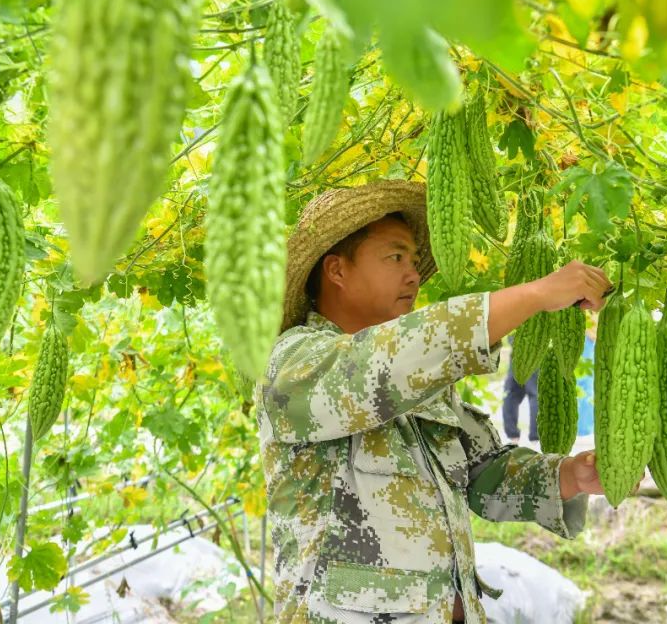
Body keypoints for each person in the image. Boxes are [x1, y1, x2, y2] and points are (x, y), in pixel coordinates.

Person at [255, 180, 616, 624]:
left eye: (412, 260)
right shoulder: (293, 362)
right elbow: (380, 364)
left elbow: (484, 475)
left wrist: (570, 476)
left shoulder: (423, 380)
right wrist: (535, 295)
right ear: (337, 271)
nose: (413, 273)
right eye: (395, 257)